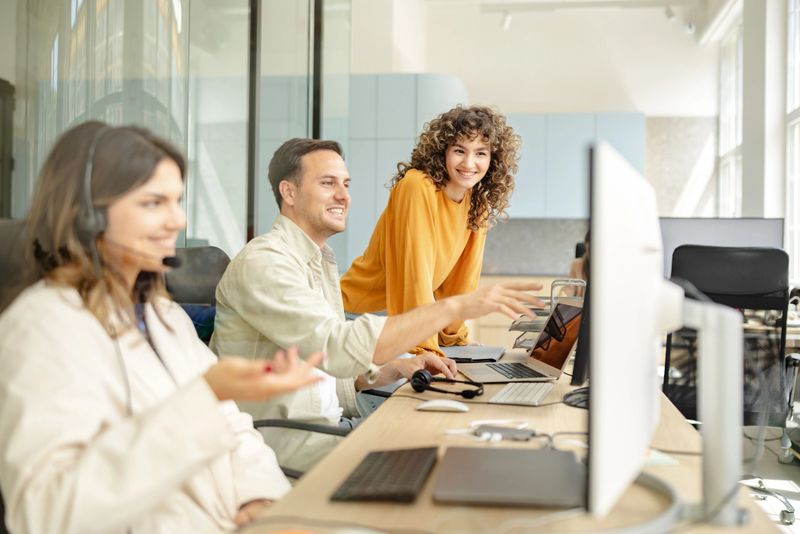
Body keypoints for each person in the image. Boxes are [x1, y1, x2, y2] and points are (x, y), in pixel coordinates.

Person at [0, 122, 324, 534]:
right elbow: (46, 514)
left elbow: (234, 428)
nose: (178, 220)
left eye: (177, 201)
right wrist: (208, 394)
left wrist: (258, 498)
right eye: (154, 203)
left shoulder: (162, 316)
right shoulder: (40, 329)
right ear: (87, 214)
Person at [210, 138, 541, 473]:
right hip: (287, 447)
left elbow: (325, 373)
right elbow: (336, 348)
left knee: (455, 441)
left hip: (326, 429)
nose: (343, 195)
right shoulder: (265, 262)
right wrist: (451, 308)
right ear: (289, 192)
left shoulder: (316, 261)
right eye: (328, 183)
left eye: (346, 184)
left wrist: (394, 369)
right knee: (446, 462)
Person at [340, 105, 521, 356]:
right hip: (362, 318)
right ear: (442, 151)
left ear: (493, 159)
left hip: (406, 321)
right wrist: (424, 350)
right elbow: (414, 274)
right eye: (459, 150)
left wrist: (455, 340)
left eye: (481, 153)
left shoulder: (476, 203)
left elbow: (462, 282)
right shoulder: (417, 187)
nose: (469, 163)